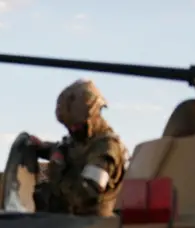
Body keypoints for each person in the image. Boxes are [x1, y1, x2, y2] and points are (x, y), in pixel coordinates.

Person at [31, 79, 128, 216]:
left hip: (91, 226)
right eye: (68, 127)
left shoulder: (106, 150)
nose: (72, 130)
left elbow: (84, 195)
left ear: (94, 115)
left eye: (76, 126)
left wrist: (57, 171)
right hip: (69, 222)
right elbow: (69, 149)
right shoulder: (82, 138)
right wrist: (43, 147)